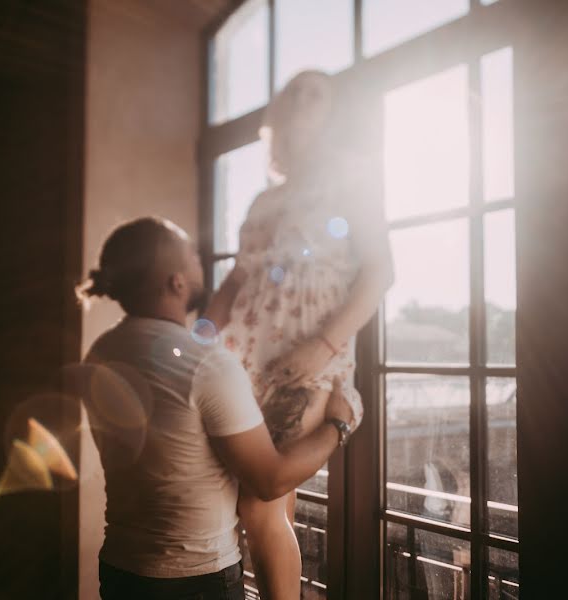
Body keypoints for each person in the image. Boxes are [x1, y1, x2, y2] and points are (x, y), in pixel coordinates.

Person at [76, 216, 357, 600]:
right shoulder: (206, 365)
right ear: (176, 281)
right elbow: (270, 481)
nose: (200, 262)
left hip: (121, 569)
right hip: (195, 582)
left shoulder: (102, 351)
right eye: (191, 255)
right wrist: (338, 426)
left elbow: (178, 393)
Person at [204, 71, 394, 599]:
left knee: (259, 507)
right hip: (240, 356)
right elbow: (236, 281)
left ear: (335, 113)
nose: (304, 102)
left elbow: (380, 270)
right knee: (260, 508)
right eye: (295, 93)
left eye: (318, 94)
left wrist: (326, 345)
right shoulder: (264, 201)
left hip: (306, 356)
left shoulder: (353, 176)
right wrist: (194, 344)